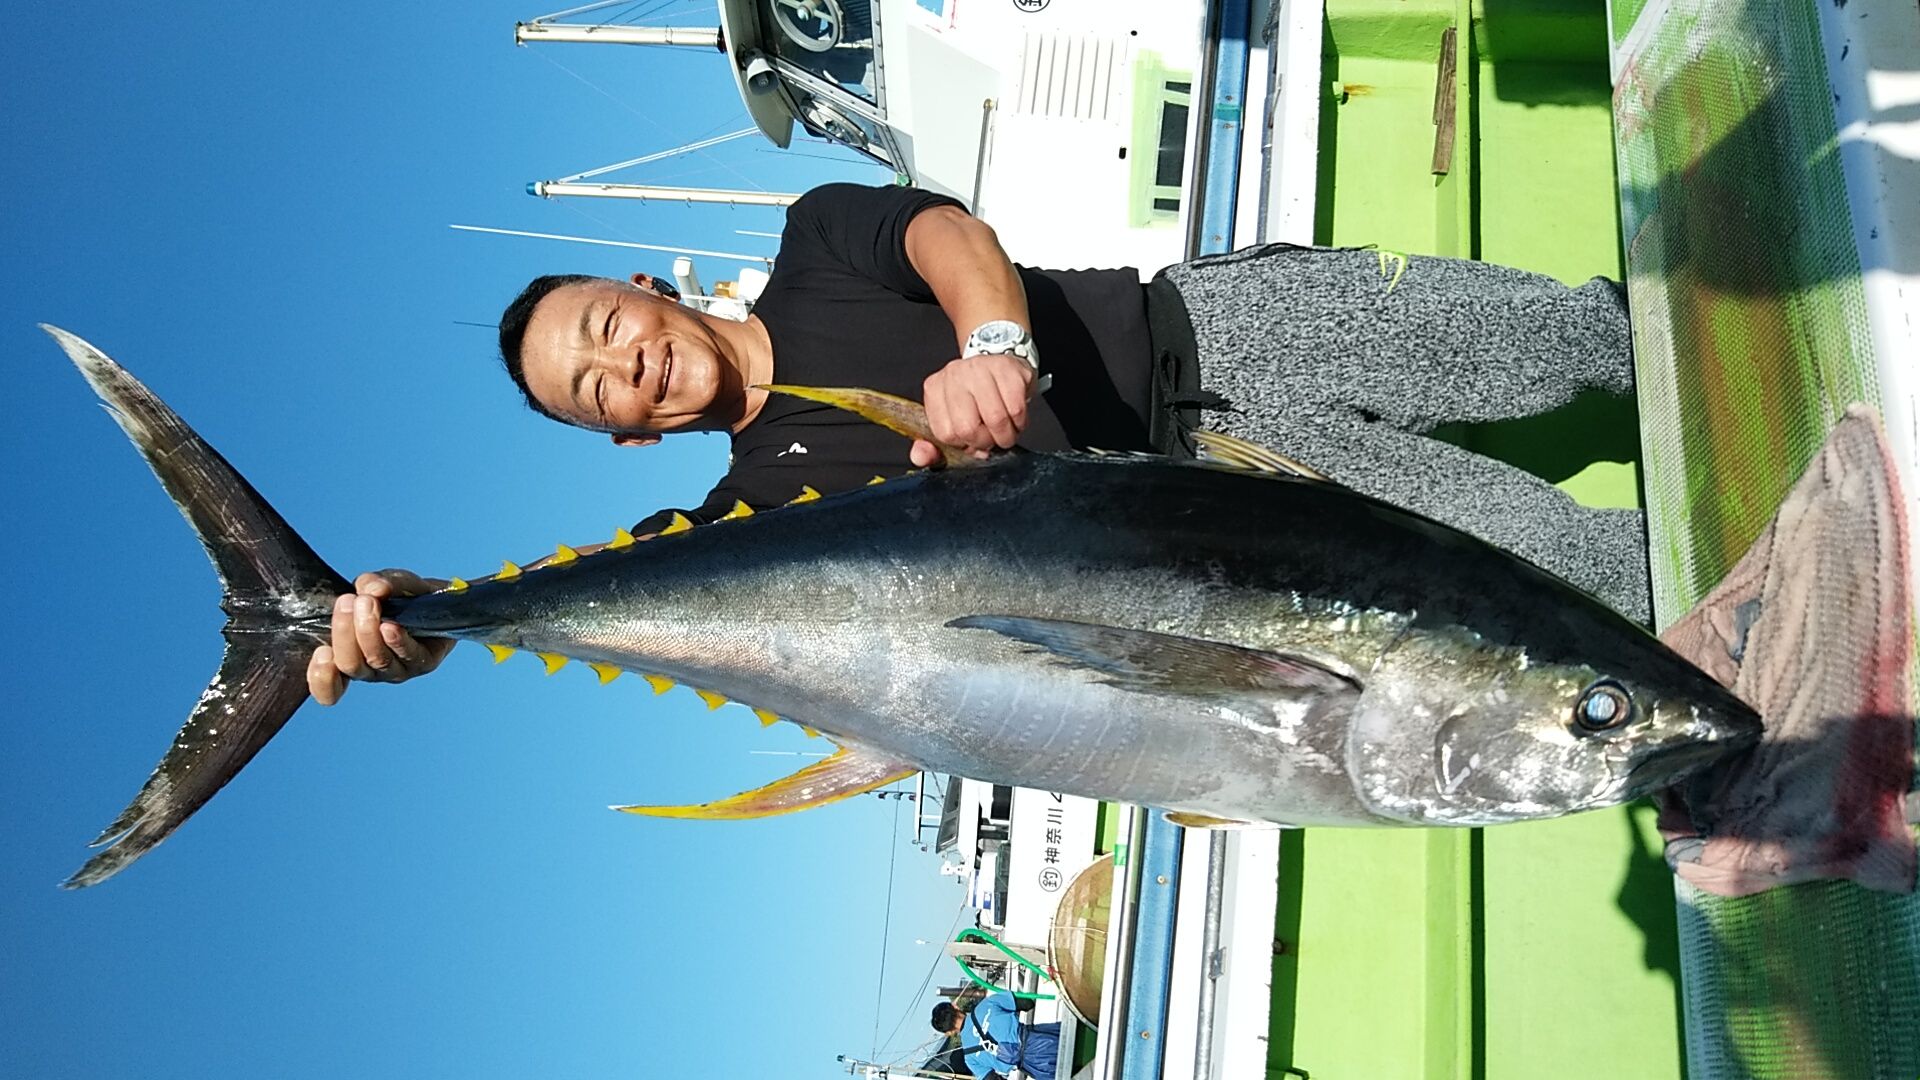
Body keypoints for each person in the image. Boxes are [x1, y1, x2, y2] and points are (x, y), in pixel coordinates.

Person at [307, 182, 1650, 704]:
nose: (625, 365)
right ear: (624, 441)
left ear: (644, 288)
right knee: (1576, 582)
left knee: (1581, 339)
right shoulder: (742, 525)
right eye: (596, 393)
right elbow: (629, 595)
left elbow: (946, 235)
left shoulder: (814, 247)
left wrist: (993, 345)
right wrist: (426, 618)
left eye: (606, 327)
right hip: (1232, 540)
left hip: (1219, 334)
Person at [931, 993, 1060, 1080]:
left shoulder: (970, 1059)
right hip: (1040, 1037)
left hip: (1035, 1067)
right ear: (955, 1007)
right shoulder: (987, 1004)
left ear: (949, 1033)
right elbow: (1027, 1003)